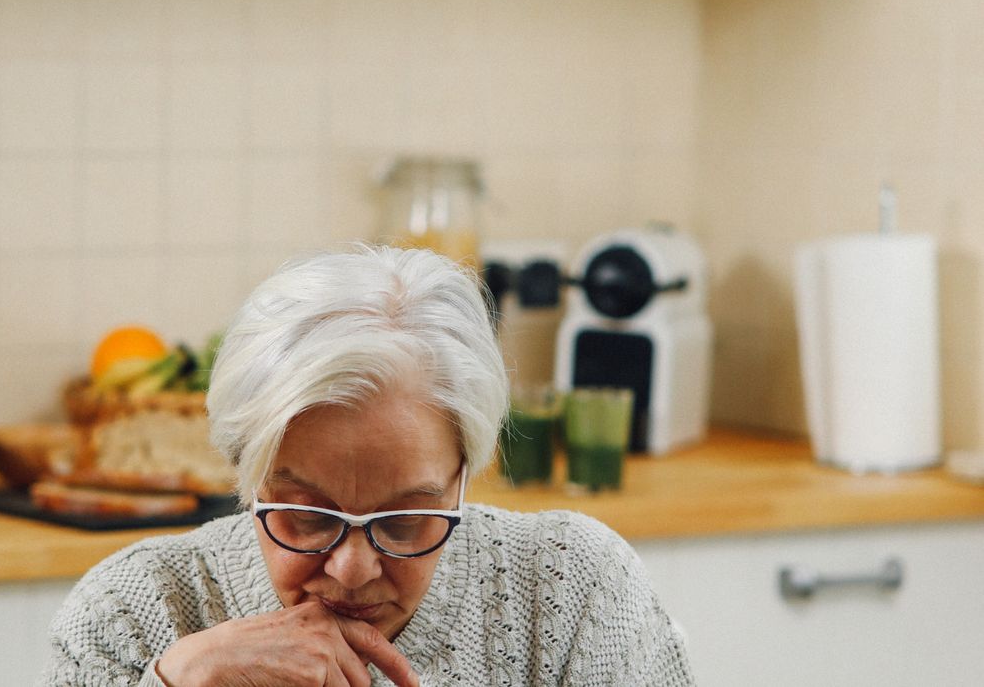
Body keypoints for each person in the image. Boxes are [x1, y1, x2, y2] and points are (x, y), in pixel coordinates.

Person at [43, 245, 694, 686]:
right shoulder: (130, 612)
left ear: (463, 475)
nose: (352, 569)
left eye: (406, 520)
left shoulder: (571, 589)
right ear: (246, 477)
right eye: (303, 516)